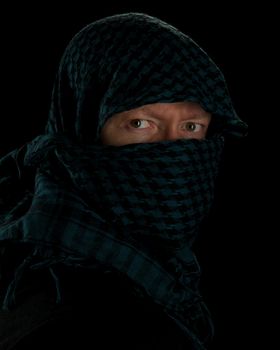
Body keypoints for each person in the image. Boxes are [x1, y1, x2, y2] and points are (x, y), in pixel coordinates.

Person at [0, 12, 247, 349]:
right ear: (81, 124)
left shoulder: (150, 274)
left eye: (191, 127)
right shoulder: (63, 306)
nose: (172, 150)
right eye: (140, 124)